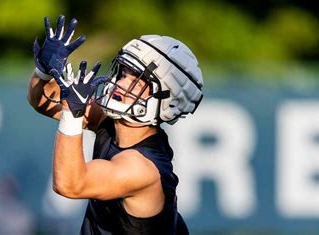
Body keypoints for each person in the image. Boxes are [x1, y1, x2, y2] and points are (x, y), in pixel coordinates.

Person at [28, 15, 204, 235]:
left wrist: (72, 114)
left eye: (137, 82)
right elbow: (43, 101)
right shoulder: (112, 123)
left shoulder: (142, 168)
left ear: (166, 102)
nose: (121, 83)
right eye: (123, 73)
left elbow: (70, 184)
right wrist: (44, 72)